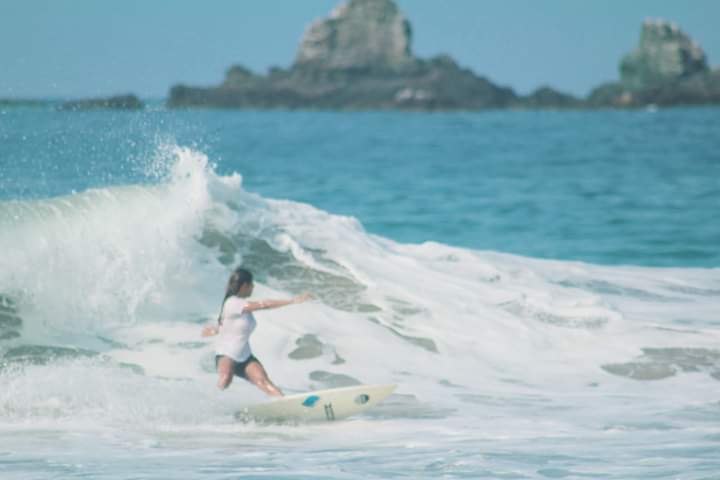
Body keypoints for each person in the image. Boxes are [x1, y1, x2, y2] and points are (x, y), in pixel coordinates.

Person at [201, 267, 311, 396]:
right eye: (251, 284)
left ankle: (286, 404)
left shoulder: (239, 305)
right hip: (226, 355)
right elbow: (264, 304)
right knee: (225, 379)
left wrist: (215, 330)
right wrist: (292, 301)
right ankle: (210, 403)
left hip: (245, 357)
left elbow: (228, 326)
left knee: (264, 382)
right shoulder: (232, 303)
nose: (253, 287)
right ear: (244, 286)